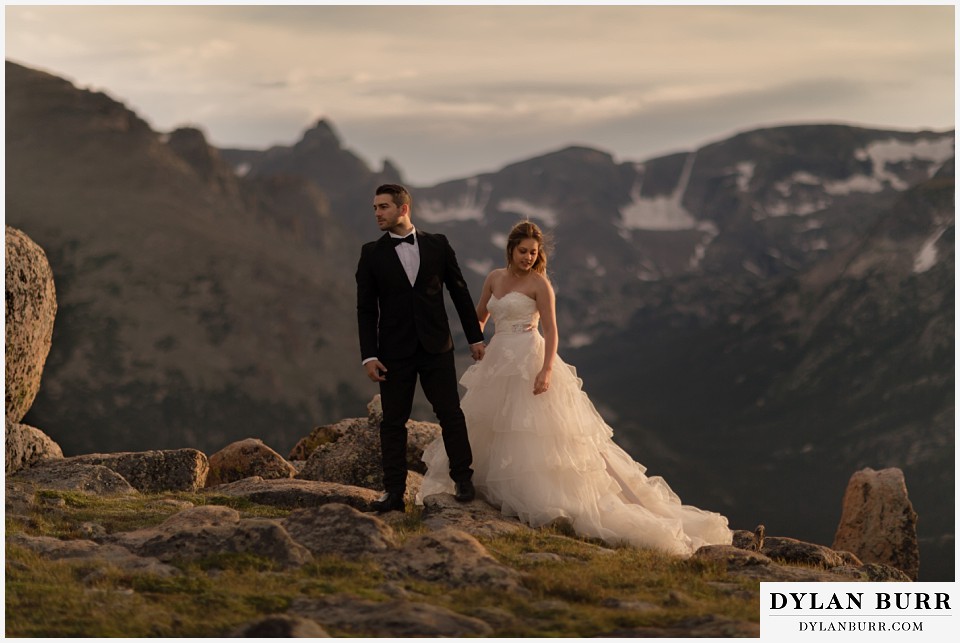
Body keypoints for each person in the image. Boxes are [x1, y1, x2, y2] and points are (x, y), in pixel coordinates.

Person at [417, 221, 732, 555]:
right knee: (492, 423)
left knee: (532, 429)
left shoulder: (540, 284)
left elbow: (552, 332)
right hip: (497, 359)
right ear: (511, 249)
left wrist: (546, 371)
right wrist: (477, 340)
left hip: (529, 356)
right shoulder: (494, 277)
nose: (527, 257)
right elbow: (479, 316)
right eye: (522, 251)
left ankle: (536, 494)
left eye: (533, 253)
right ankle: (487, 483)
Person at [356, 183, 486, 513]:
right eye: (374, 208)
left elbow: (459, 292)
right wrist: (369, 355)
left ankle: (463, 480)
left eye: (383, 207)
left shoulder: (438, 245)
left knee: (451, 414)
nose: (377, 214)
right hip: (393, 353)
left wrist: (475, 338)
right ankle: (394, 494)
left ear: (403, 209)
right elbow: (366, 309)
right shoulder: (371, 253)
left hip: (436, 348)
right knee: (393, 423)